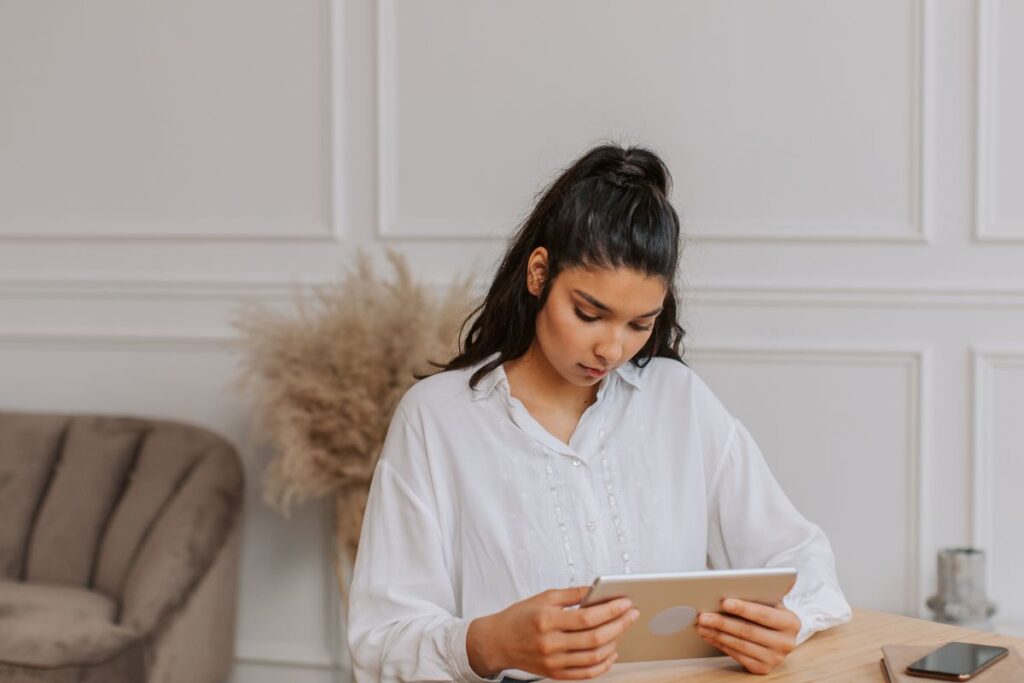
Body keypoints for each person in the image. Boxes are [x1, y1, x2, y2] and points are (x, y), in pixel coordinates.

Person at [347, 144, 852, 682]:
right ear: (539, 273)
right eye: (589, 314)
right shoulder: (438, 419)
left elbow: (800, 555)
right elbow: (380, 641)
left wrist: (789, 619)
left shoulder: (677, 398)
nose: (612, 350)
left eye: (640, 325)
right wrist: (490, 643)